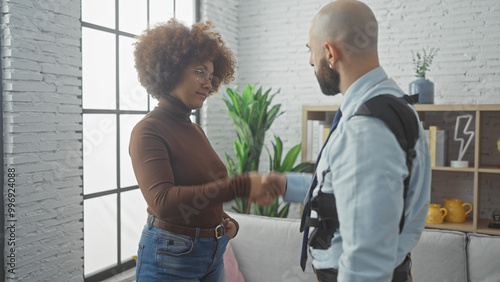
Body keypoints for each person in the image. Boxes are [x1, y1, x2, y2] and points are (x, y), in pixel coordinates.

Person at [263, 1, 431, 281]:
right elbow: (346, 187)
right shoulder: (384, 104)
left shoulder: (367, 128)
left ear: (329, 52)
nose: (310, 62)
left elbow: (366, 258)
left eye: (311, 51)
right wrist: (288, 185)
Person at [130, 19, 277, 281]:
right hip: (170, 256)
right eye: (200, 72)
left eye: (211, 77)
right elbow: (163, 202)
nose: (208, 84)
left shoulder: (195, 130)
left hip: (212, 252)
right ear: (171, 69)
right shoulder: (148, 131)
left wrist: (221, 222)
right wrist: (241, 186)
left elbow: (200, 189)